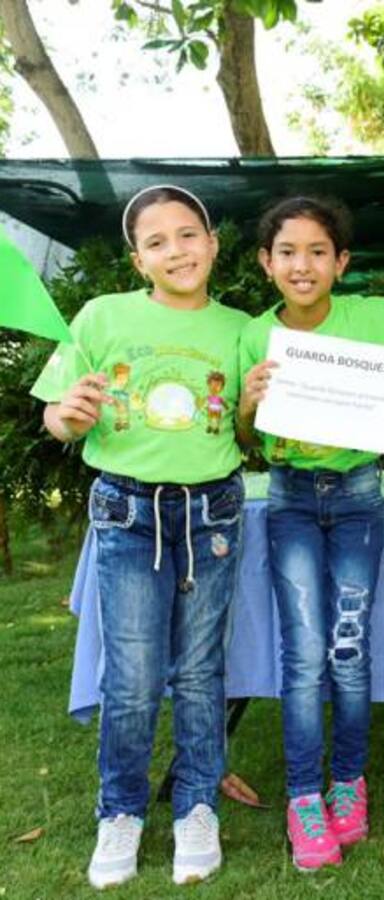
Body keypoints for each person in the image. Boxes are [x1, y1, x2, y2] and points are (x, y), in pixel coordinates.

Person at [32, 185, 248, 889]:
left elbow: (246, 432)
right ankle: (119, 812)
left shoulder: (242, 329)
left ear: (213, 242)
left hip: (212, 512)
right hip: (126, 514)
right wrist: (66, 414)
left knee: (199, 674)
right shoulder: (101, 316)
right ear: (137, 260)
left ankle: (195, 807)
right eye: (157, 242)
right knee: (129, 679)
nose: (176, 251)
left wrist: (254, 404)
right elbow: (60, 422)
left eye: (188, 235)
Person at [236, 197, 384, 870]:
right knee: (304, 652)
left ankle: (349, 782)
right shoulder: (250, 335)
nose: (303, 264)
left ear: (342, 263)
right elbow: (243, 440)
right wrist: (246, 406)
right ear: (266, 262)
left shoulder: (381, 317)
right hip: (289, 498)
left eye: (319, 251)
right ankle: (303, 798)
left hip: (357, 497)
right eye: (287, 251)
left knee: (348, 648)